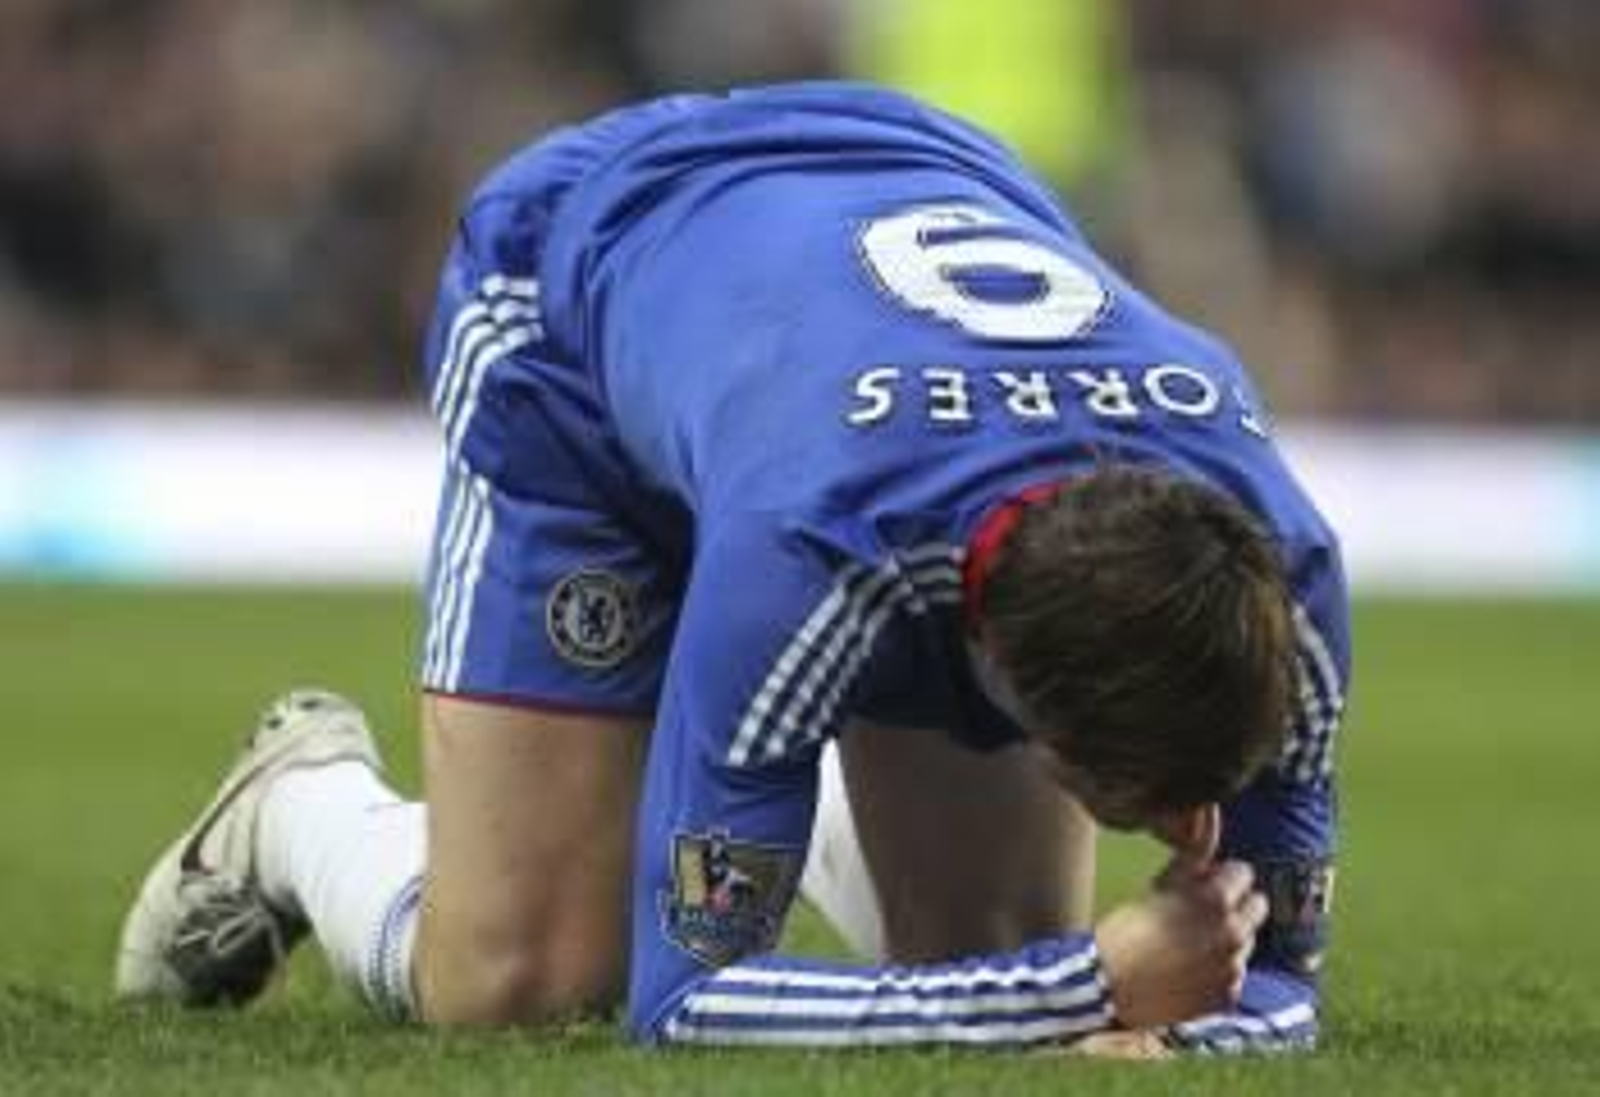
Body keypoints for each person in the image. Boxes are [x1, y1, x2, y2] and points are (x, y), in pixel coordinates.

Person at [114, 83, 1348, 1053]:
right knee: (519, 984)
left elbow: (1283, 978)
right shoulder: (817, 552)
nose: (1199, 825)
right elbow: (687, 998)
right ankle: (301, 804)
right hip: (579, 296)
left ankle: (761, 789)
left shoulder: (1283, 579)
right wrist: (1087, 982)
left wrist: (1183, 1029)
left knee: (980, 958)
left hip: (906, 204)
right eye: (1146, 796)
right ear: (1012, 692)